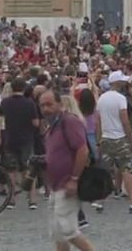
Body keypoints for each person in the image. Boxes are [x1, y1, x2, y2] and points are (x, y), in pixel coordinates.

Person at [39, 90, 94, 251]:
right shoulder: (53, 125)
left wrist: (74, 179)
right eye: (42, 105)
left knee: (69, 231)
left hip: (67, 183)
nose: (45, 109)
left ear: (60, 104)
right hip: (56, 185)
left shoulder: (69, 121)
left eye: (49, 104)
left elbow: (82, 150)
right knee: (59, 233)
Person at [96, 71, 132, 213]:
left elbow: (98, 121)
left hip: (106, 138)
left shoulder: (101, 98)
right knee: (126, 170)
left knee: (105, 171)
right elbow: (125, 120)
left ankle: (100, 202)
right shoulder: (120, 98)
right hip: (120, 138)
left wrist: (99, 140)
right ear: (117, 83)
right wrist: (130, 141)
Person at [0, 78, 40, 210]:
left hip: (10, 138)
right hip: (26, 139)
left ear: (12, 88)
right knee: (29, 170)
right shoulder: (30, 103)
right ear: (24, 88)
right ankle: (32, 199)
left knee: (11, 170)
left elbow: (0, 120)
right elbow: (36, 123)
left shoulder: (5, 102)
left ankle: (11, 199)